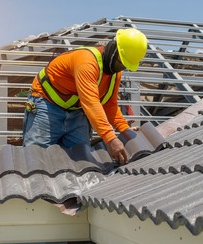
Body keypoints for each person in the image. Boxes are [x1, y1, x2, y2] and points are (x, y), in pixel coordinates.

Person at [23, 28, 147, 165]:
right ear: (113, 48)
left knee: (81, 160)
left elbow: (109, 104)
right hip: (46, 106)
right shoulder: (86, 61)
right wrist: (110, 138)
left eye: (124, 65)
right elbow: (91, 102)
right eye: (120, 62)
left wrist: (125, 131)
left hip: (76, 112)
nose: (120, 68)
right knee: (37, 159)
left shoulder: (114, 74)